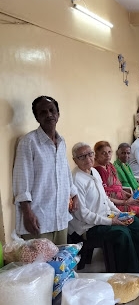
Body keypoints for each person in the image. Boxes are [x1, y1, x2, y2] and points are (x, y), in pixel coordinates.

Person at [69, 143, 139, 273]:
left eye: (90, 154)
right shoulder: (76, 180)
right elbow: (83, 215)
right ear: (75, 160)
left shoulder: (94, 171)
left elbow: (105, 198)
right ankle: (130, 272)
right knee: (122, 233)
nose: (88, 158)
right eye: (82, 156)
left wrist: (119, 213)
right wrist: (112, 221)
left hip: (105, 216)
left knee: (134, 222)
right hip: (88, 227)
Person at [12, 96, 78, 244]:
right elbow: (21, 182)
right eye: (42, 112)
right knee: (40, 266)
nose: (48, 115)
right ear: (37, 117)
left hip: (60, 216)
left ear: (58, 114)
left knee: (60, 263)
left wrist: (74, 194)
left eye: (52, 110)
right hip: (38, 219)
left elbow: (65, 172)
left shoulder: (61, 142)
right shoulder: (28, 142)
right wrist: (27, 214)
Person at [93, 141, 139, 246]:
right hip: (113, 204)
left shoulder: (109, 166)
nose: (107, 155)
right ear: (96, 154)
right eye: (103, 153)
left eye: (109, 152)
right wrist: (125, 202)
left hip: (122, 197)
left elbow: (118, 187)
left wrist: (129, 196)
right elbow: (104, 197)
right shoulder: (96, 171)